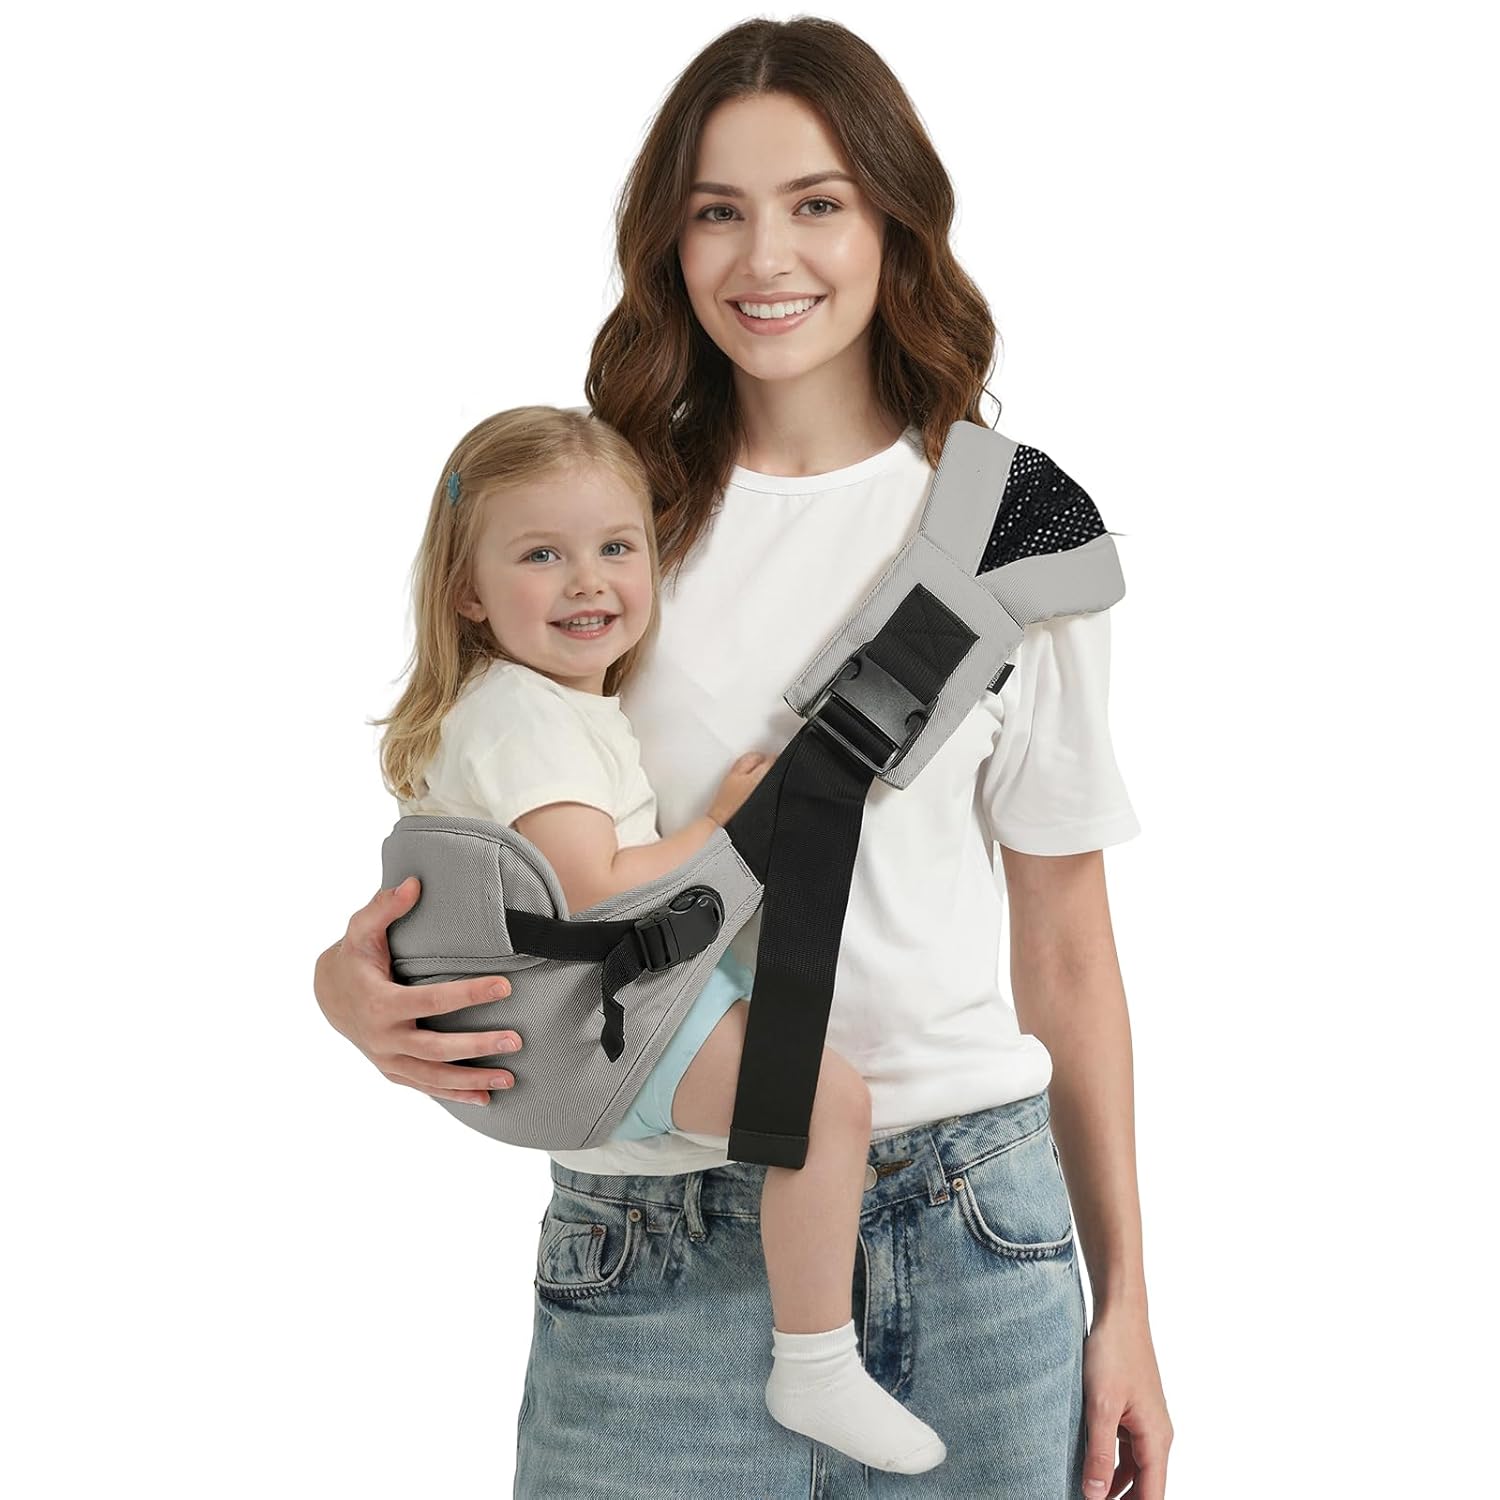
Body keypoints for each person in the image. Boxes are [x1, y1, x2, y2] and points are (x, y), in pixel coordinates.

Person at [315, 16, 1173, 1498]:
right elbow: (491, 816)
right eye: (718, 211)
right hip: (658, 1245)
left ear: (896, 222)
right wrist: (352, 987)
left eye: (816, 202)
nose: (766, 258)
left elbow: (1068, 945)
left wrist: (1131, 1304)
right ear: (670, 239)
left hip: (977, 1240)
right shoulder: (604, 520)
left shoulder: (1015, 533)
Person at [374, 403, 949, 1474]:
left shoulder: (534, 704)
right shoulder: (527, 719)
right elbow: (592, 889)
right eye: (541, 555)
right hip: (600, 1025)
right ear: (467, 591)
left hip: (582, 1026)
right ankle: (816, 1362)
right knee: (826, 1108)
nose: (587, 582)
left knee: (813, 1107)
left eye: (616, 548)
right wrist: (719, 832)